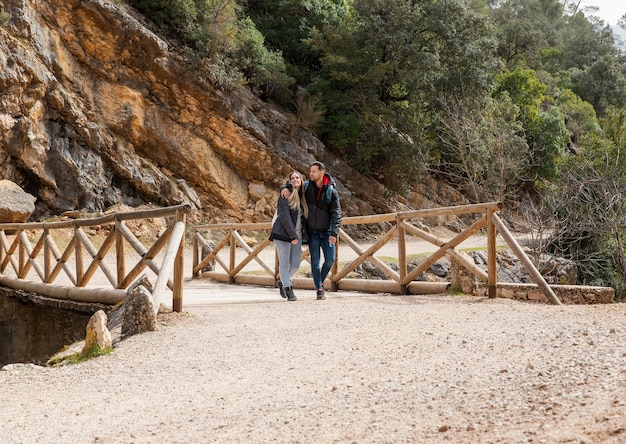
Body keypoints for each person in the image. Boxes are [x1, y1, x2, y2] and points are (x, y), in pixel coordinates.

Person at [283, 161, 342, 300]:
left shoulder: (331, 191)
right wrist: (283, 188)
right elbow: (293, 186)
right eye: (310, 172)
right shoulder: (307, 187)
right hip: (312, 232)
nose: (311, 174)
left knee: (330, 260)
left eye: (314, 172)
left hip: (327, 232)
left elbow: (337, 213)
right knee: (315, 261)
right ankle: (319, 289)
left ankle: (319, 282)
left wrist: (334, 232)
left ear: (322, 173)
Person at [269, 171, 308, 301]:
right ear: (289, 181)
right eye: (292, 178)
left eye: (298, 177)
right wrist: (293, 236)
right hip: (283, 234)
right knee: (284, 264)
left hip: (297, 235)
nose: (295, 179)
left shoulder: (303, 194)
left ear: (302, 180)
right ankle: (289, 290)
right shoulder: (285, 195)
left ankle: (283, 281)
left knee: (296, 264)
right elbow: (285, 217)